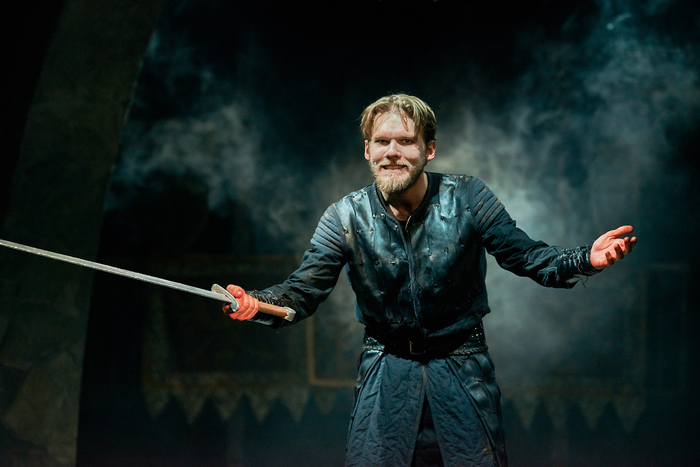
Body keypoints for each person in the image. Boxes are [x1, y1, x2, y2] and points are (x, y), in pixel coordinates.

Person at [222, 94, 637, 467]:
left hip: (463, 374)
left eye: (405, 141)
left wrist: (586, 258)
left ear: (429, 149)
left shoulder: (469, 198)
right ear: (367, 150)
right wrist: (256, 303)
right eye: (382, 142)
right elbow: (301, 292)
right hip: (385, 378)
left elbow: (527, 256)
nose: (392, 152)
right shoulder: (344, 217)